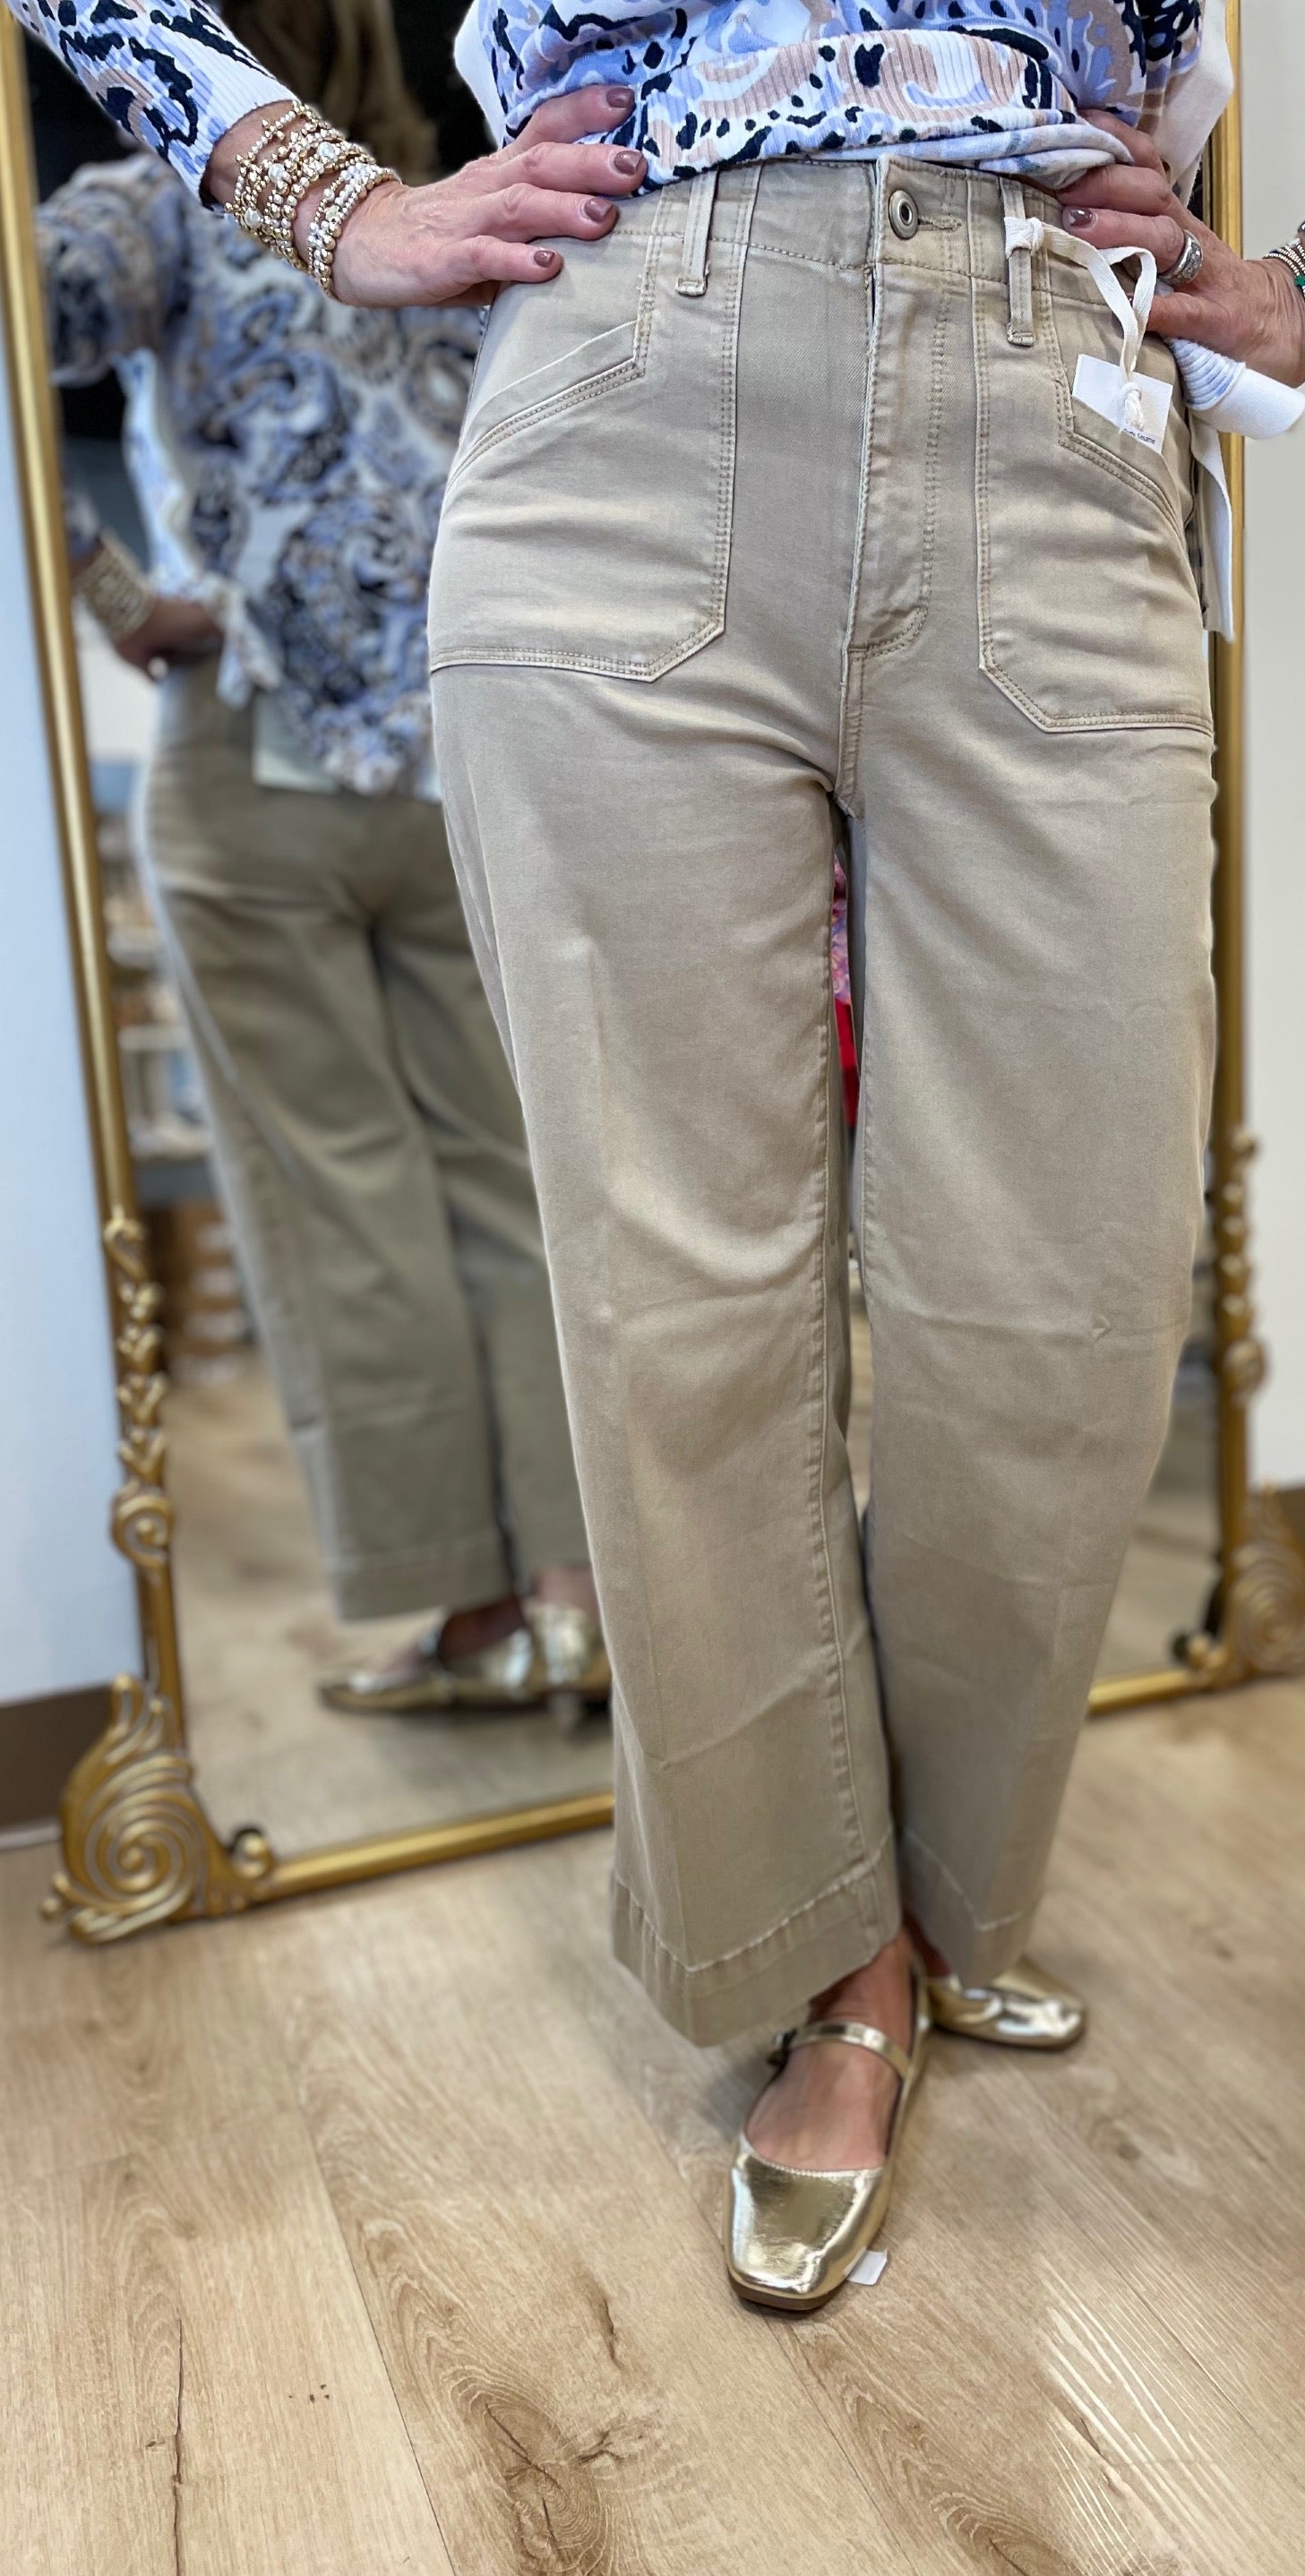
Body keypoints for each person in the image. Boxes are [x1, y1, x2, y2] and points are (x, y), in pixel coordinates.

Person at [13, 0, 1305, 2307]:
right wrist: (325, 196)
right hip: (619, 392)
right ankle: (835, 1959)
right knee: (677, 1296)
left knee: (1075, 1299)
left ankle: (929, 1891)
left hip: (1051, 395)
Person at [35, 0, 612, 1717]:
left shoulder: (158, 202)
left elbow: (14, 337)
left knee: (335, 1197)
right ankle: (576, 1598)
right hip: (462, 754)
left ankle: (468, 1615)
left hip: (255, 745)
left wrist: (111, 594)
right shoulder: (472, 222)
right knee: (509, 1185)